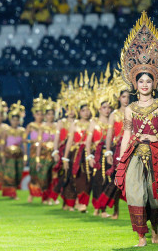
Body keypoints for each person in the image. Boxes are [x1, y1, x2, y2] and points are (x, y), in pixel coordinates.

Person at [115, 12, 158, 246]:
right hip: (135, 153)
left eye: (148, 81)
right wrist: (122, 159)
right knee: (135, 193)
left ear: (154, 84)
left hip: (156, 152)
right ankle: (141, 236)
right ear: (136, 84)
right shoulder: (130, 108)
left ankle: (155, 231)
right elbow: (126, 134)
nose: (144, 84)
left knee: (155, 196)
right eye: (141, 81)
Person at [99, 69, 130, 220]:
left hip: (132, 149)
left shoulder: (133, 112)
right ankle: (111, 209)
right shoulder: (114, 114)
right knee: (117, 181)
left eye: (128, 97)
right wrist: (108, 152)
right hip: (118, 150)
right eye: (123, 97)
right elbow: (110, 135)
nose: (126, 100)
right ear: (119, 98)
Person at [61, 72, 92, 212]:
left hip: (88, 155)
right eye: (83, 110)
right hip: (75, 155)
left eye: (87, 110)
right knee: (75, 179)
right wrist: (65, 158)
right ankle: (74, 202)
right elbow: (69, 142)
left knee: (87, 180)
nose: (86, 112)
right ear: (79, 112)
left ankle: (82, 202)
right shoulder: (74, 124)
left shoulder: (93, 123)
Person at [87, 68, 112, 217]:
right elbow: (88, 141)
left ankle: (102, 208)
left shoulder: (111, 121)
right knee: (97, 181)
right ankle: (97, 208)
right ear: (98, 108)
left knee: (107, 181)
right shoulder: (94, 122)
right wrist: (88, 157)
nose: (107, 110)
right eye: (104, 107)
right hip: (96, 156)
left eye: (109, 107)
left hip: (108, 154)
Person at [50, 83, 76, 208]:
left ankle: (73, 201)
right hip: (63, 152)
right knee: (64, 176)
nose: (71, 111)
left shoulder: (78, 123)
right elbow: (56, 139)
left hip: (76, 153)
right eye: (69, 108)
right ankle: (65, 201)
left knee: (74, 177)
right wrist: (55, 152)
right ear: (65, 110)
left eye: (73, 108)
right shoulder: (61, 122)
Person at [1, 101, 26, 200]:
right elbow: (3, 144)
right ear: (10, 120)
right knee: (10, 173)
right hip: (9, 155)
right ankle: (11, 193)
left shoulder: (22, 131)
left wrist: (25, 157)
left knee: (18, 173)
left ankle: (14, 191)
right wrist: (3, 156)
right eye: (13, 120)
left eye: (17, 120)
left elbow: (24, 144)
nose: (15, 122)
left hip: (19, 155)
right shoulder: (6, 131)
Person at [35, 98, 57, 204]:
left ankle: (52, 197)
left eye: (52, 114)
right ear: (45, 115)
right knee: (44, 176)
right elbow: (39, 143)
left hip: (54, 154)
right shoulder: (42, 127)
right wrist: (38, 159)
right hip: (44, 155)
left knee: (54, 176)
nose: (51, 116)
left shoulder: (57, 126)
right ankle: (45, 197)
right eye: (48, 114)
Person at [26, 94, 45, 203]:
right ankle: (31, 194)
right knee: (33, 172)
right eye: (38, 114)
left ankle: (44, 196)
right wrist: (33, 141)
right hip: (34, 150)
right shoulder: (31, 125)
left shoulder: (46, 125)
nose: (40, 116)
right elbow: (24, 139)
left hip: (44, 151)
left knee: (43, 173)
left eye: (42, 114)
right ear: (34, 114)